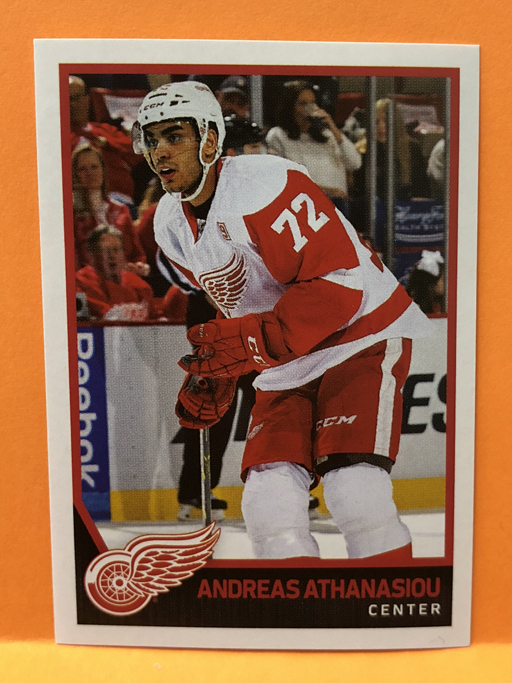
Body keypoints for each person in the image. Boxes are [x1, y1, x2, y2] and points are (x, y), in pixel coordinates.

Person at [132, 81, 432, 561]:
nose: (160, 151)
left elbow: (339, 285)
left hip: (360, 334)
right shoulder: (168, 224)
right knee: (268, 504)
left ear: (209, 139)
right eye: (151, 139)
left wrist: (251, 343)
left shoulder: (266, 183)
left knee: (355, 490)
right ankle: (297, 599)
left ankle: (387, 594)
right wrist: (220, 367)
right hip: (288, 357)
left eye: (174, 136)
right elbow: (232, 299)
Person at [266, 80, 361, 217]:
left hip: (340, 202)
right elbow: (286, 179)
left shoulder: (328, 135)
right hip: (307, 204)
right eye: (302, 104)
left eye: (312, 103)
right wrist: (326, 191)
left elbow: (355, 163)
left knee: (371, 204)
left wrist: (333, 128)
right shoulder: (278, 135)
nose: (309, 108)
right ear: (290, 108)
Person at [76, 225, 186, 322]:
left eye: (116, 250)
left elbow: (154, 318)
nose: (112, 256)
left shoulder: (138, 284)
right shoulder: (81, 281)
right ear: (91, 255)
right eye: (105, 251)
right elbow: (102, 314)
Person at [72, 145, 148, 275]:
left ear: (103, 170)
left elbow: (137, 256)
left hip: (124, 280)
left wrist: (139, 266)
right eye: (82, 169)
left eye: (94, 167)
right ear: (74, 175)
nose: (90, 173)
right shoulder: (70, 215)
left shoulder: (121, 210)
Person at [69, 76, 141, 205]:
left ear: (87, 98)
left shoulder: (105, 130)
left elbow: (136, 152)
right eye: (68, 99)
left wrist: (108, 143)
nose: (73, 104)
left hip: (122, 200)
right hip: (86, 202)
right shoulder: (63, 138)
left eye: (77, 98)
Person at [406, 250, 445, 314]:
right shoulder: (410, 307)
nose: (446, 283)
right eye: (443, 279)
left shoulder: (442, 305)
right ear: (431, 283)